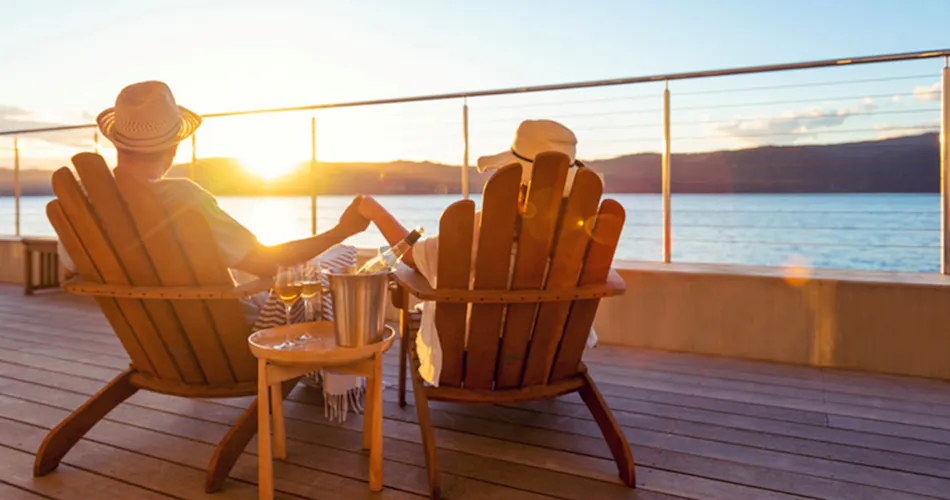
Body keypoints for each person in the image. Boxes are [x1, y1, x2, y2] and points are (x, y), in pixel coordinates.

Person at [64, 80, 370, 328]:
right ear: (174, 146)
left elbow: (70, 264)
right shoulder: (183, 200)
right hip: (225, 336)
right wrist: (341, 231)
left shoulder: (83, 201)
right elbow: (266, 262)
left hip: (152, 339)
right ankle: (337, 388)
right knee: (332, 268)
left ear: (117, 141)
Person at [357, 119, 599, 387]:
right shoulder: (582, 235)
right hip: (549, 354)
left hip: (473, 358)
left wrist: (374, 211)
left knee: (411, 285)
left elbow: (412, 256)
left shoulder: (483, 229)